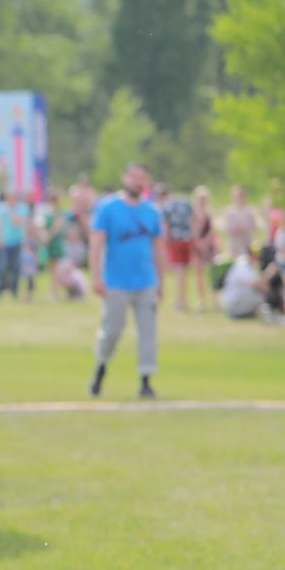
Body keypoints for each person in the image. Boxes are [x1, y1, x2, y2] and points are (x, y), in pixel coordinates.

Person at [88, 163, 166, 399]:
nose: (137, 182)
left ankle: (146, 379)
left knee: (148, 332)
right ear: (125, 178)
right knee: (112, 330)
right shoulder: (108, 208)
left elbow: (159, 249)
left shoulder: (151, 212)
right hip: (116, 281)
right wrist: (96, 275)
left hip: (145, 281)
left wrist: (161, 281)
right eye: (133, 177)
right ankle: (101, 367)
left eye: (142, 178)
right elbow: (97, 243)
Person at [161, 184, 199, 312]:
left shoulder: (166, 206)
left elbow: (165, 226)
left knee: (179, 272)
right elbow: (195, 219)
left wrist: (165, 242)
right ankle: (183, 300)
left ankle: (181, 302)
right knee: (184, 272)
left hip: (175, 241)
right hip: (188, 239)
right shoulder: (185, 202)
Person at [221, 185, 260, 261]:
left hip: (247, 243)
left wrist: (244, 229)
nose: (240, 198)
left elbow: (255, 228)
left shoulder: (250, 211)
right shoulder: (229, 211)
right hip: (234, 245)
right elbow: (226, 229)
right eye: (238, 196)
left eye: (241, 196)